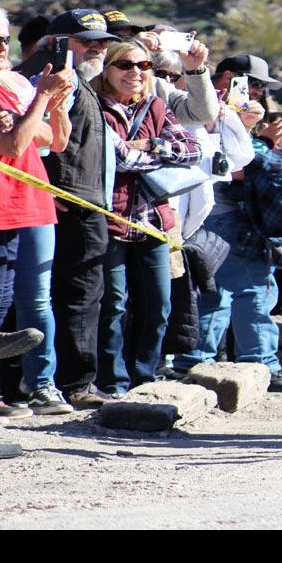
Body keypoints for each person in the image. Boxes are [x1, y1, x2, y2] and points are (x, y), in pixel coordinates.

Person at [170, 54, 282, 393]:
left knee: (215, 293)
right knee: (251, 293)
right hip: (227, 215)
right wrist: (272, 146)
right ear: (231, 78)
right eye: (255, 84)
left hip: (205, 216)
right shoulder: (207, 109)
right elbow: (233, 166)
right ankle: (262, 363)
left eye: (263, 87)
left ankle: (195, 361)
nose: (259, 93)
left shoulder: (200, 104)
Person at [16, 9, 119, 409]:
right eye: (85, 40)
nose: (97, 48)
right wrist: (54, 190)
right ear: (56, 43)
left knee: (73, 295)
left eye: (102, 41)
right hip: (63, 200)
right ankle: (72, 383)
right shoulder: (49, 78)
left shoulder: (77, 78)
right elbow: (39, 143)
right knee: (71, 295)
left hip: (80, 200)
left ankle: (63, 381)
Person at [0, 6, 73, 417]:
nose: (1, 47)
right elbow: (13, 145)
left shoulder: (11, 84)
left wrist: (56, 105)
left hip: (25, 204)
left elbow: (55, 140)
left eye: (4, 39)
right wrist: (43, 96)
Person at [92, 40, 202, 396]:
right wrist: (162, 153)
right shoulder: (94, 107)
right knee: (113, 305)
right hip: (110, 219)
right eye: (125, 65)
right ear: (107, 70)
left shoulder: (155, 104)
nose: (136, 72)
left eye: (143, 65)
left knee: (159, 304)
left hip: (154, 221)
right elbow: (121, 158)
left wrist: (154, 145)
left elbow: (194, 151)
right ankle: (112, 381)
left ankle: (144, 376)